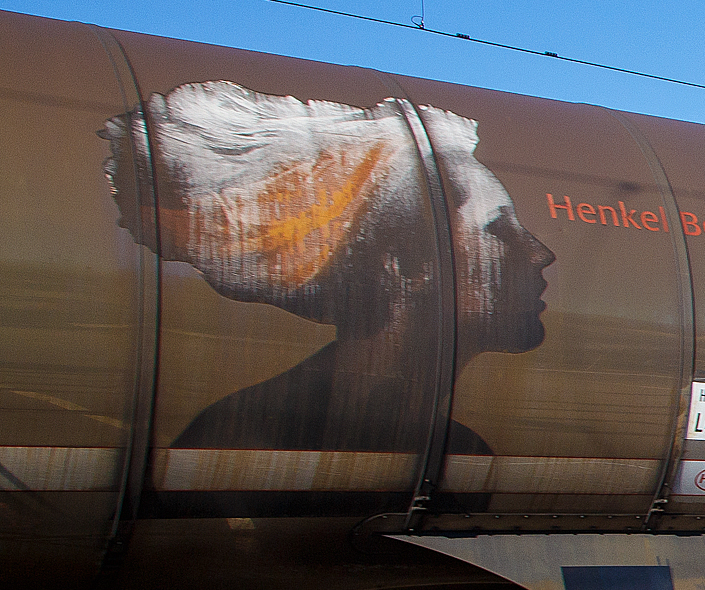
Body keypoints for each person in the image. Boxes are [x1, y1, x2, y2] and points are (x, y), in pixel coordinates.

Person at [101, 81, 554, 455]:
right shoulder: (252, 443)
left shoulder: (443, 445)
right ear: (407, 265)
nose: (538, 253)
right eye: (498, 228)